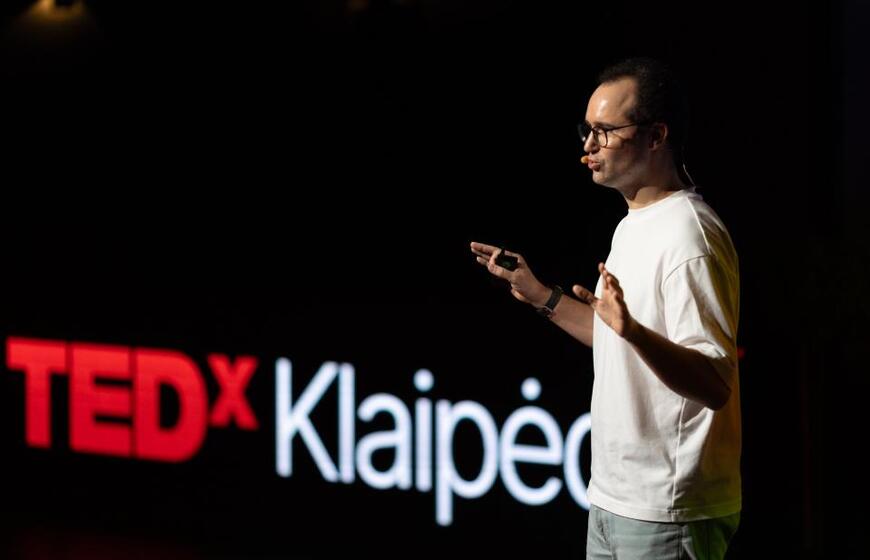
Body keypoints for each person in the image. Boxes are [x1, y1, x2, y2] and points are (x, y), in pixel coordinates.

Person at [470, 57, 741, 560]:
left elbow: (715, 383)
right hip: (612, 500)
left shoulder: (690, 237)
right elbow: (618, 341)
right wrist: (541, 295)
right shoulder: (633, 223)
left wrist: (634, 331)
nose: (588, 147)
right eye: (587, 131)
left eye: (605, 132)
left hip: (667, 512)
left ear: (656, 136)